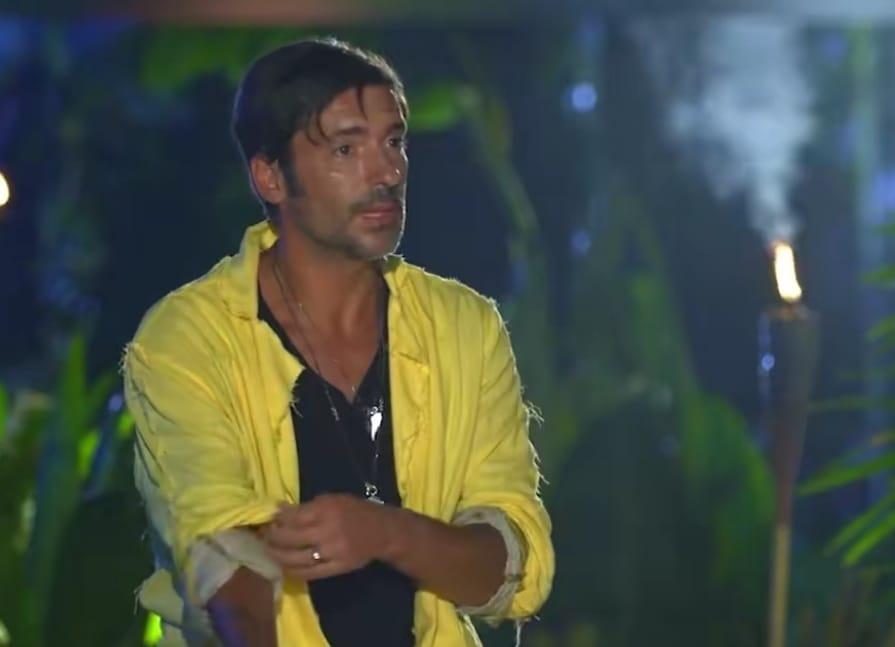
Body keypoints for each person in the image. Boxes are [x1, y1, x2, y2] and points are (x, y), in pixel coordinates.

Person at [122, 37, 554, 646]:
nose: (387, 173)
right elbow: (223, 566)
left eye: (394, 142)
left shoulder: (464, 325)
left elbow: (511, 572)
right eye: (347, 148)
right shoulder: (188, 339)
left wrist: (386, 533)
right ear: (271, 177)